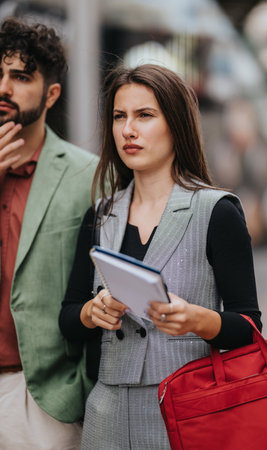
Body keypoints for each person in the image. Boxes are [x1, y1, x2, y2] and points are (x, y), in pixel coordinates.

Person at [59, 64, 262, 450]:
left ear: (176, 124)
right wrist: (92, 311)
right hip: (106, 412)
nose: (128, 130)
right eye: (119, 116)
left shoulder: (215, 211)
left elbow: (249, 328)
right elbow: (68, 317)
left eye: (144, 115)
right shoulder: (101, 214)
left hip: (187, 409)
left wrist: (199, 319)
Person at [0, 18, 98, 450]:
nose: (3, 88)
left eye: (20, 77)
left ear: (51, 93)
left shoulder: (88, 175)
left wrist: (81, 391)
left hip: (43, 399)